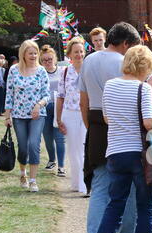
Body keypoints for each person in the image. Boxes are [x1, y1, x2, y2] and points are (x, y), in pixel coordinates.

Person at [89, 45, 152, 233]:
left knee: (115, 203)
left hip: (116, 153)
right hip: (139, 154)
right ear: (145, 66)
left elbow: (107, 118)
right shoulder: (143, 89)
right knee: (145, 204)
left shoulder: (110, 85)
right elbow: (148, 121)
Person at [79, 22, 141, 233]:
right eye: (131, 47)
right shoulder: (123, 63)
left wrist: (90, 128)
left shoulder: (88, 60)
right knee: (131, 184)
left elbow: (83, 100)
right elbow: (130, 101)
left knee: (100, 185)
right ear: (125, 43)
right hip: (121, 127)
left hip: (95, 125)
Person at [4, 40, 50, 192]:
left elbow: (47, 95)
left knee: (33, 145)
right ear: (23, 54)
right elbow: (9, 94)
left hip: (38, 115)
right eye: (30, 53)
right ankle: (23, 173)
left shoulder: (42, 71)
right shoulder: (13, 70)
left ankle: (33, 180)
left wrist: (39, 105)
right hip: (18, 115)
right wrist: (7, 116)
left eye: (35, 53)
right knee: (23, 147)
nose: (33, 55)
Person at [56, 38, 87, 194]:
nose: (79, 54)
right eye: (76, 52)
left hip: (86, 113)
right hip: (70, 112)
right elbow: (60, 96)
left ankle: (84, 184)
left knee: (84, 148)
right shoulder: (65, 71)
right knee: (73, 149)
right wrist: (58, 118)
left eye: (81, 51)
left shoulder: (89, 69)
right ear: (69, 54)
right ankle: (76, 182)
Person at [39, 45, 66, 176]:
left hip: (59, 107)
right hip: (45, 107)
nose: (48, 62)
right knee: (48, 137)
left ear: (55, 59)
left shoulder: (62, 70)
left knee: (59, 137)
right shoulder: (39, 72)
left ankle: (61, 166)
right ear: (41, 61)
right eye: (44, 60)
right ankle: (51, 159)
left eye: (50, 59)